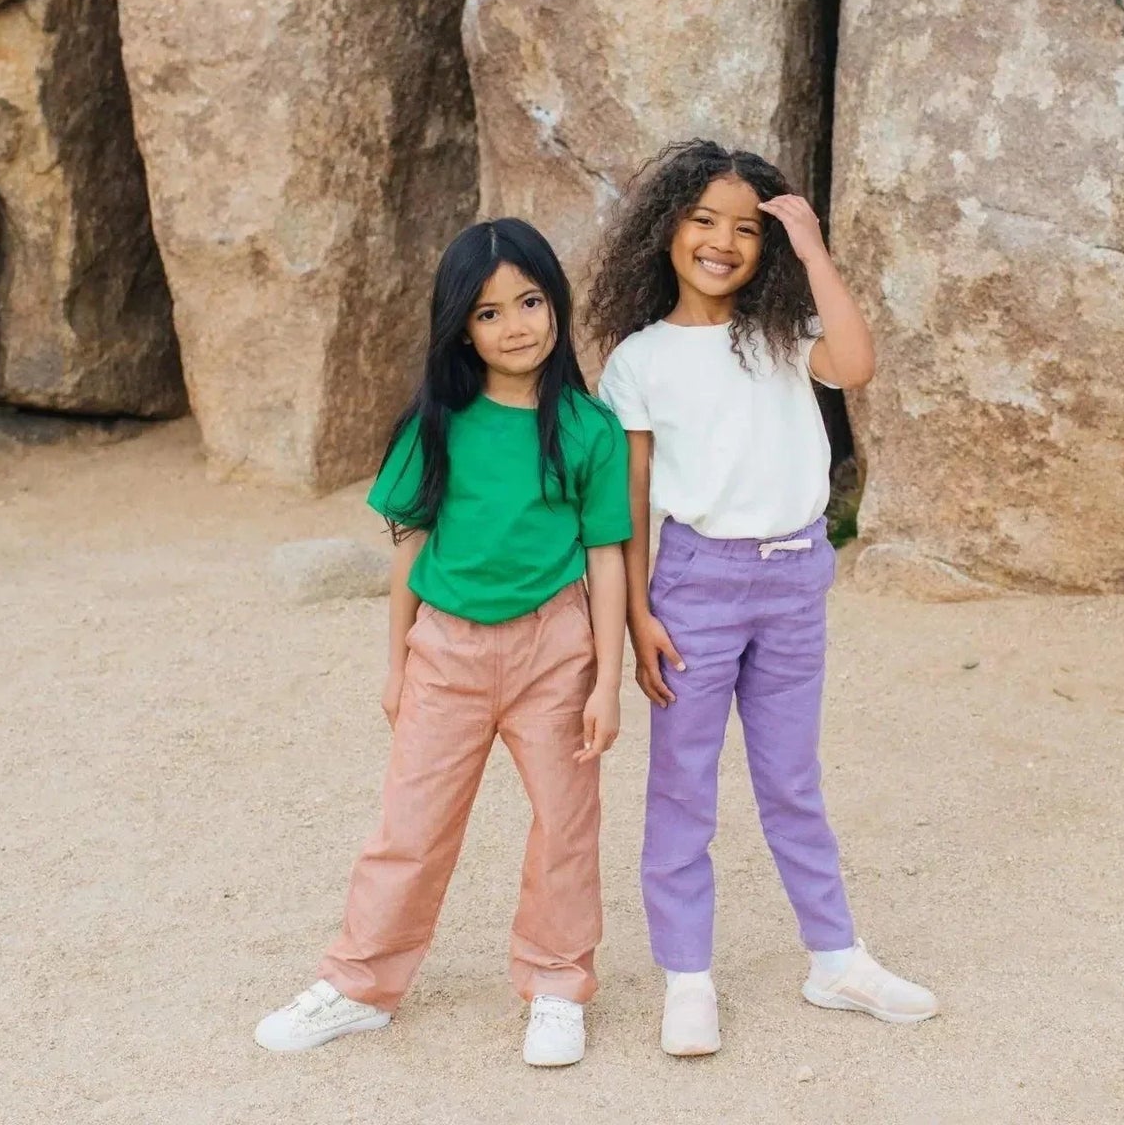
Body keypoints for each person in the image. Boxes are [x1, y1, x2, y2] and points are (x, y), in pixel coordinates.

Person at [589, 141, 938, 1057]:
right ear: (667, 229)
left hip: (794, 578)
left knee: (790, 780)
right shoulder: (638, 360)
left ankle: (836, 959)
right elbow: (628, 505)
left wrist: (814, 251)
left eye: (747, 228)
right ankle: (687, 978)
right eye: (703, 220)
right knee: (683, 787)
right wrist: (635, 617)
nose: (722, 241)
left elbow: (856, 364)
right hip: (695, 586)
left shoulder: (782, 336)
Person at [255, 218, 631, 1068]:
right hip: (448, 653)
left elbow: (607, 556)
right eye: (490, 313)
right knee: (411, 826)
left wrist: (608, 679)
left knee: (565, 825)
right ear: (462, 326)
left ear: (556, 304)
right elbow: (408, 550)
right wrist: (397, 665)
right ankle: (359, 986)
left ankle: (557, 983)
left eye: (530, 302)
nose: (516, 325)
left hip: (555, 652)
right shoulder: (435, 425)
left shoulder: (588, 428)